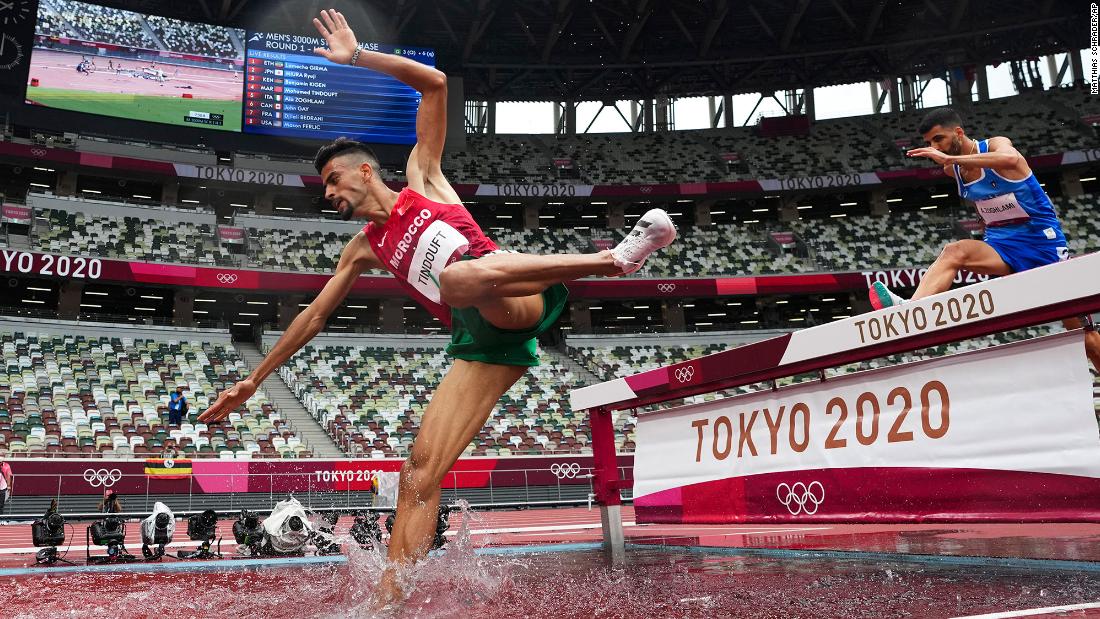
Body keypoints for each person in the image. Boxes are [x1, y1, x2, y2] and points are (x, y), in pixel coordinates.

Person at [198, 8, 676, 606]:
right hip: (479, 338)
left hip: (517, 299)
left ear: (363, 172)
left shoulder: (422, 177)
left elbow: (436, 84)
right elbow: (312, 317)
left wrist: (356, 58)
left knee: (453, 280)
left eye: (332, 183)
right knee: (418, 475)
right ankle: (389, 601)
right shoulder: (363, 249)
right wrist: (251, 380)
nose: (329, 196)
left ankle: (613, 260)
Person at [868, 107, 1100, 373]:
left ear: (958, 132)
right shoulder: (952, 170)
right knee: (955, 251)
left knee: (1086, 337)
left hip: (1042, 246)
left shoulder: (994, 145)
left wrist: (951, 159)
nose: (934, 147)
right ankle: (909, 311)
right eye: (929, 143)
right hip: (1002, 245)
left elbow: (1011, 159)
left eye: (938, 139)